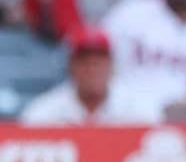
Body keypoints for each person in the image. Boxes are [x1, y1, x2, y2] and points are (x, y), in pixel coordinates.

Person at [20, 26, 163, 124]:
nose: (92, 69)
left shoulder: (138, 109)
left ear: (111, 65)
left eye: (98, 62)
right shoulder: (44, 111)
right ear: (71, 66)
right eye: (84, 62)